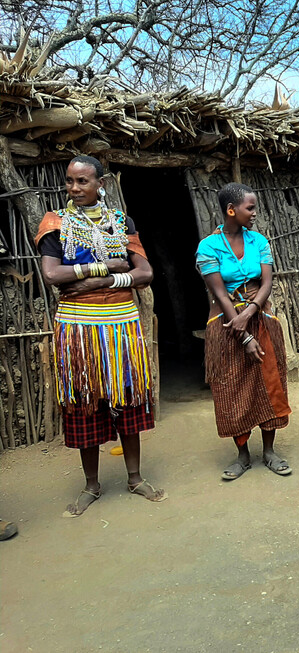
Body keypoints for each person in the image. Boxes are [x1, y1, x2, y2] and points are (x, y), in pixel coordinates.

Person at [36, 155, 166, 517]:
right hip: (77, 328)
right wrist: (104, 266)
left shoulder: (121, 222)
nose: (74, 188)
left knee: (128, 397)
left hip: (121, 324)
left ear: (100, 184)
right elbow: (52, 275)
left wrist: (103, 281)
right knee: (84, 401)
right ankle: (91, 485)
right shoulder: (55, 224)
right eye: (69, 181)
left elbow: (145, 272)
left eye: (83, 181)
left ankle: (135, 477)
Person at [195, 183, 292, 481]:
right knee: (232, 386)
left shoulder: (259, 241)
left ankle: (270, 451)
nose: (254, 214)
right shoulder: (208, 247)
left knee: (270, 380)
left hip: (261, 317)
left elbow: (266, 283)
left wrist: (250, 312)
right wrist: (242, 331)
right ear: (231, 210)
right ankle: (242, 455)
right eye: (250, 208)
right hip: (225, 324)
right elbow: (220, 293)